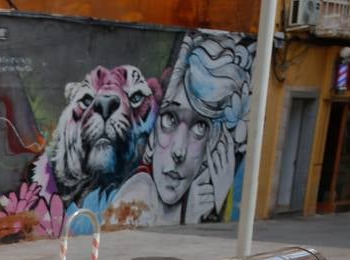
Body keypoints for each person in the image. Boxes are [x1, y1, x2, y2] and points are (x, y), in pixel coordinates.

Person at [105, 32, 253, 227]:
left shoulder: (198, 196)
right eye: (170, 119)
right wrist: (191, 218)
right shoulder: (138, 195)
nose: (178, 151)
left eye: (200, 127)